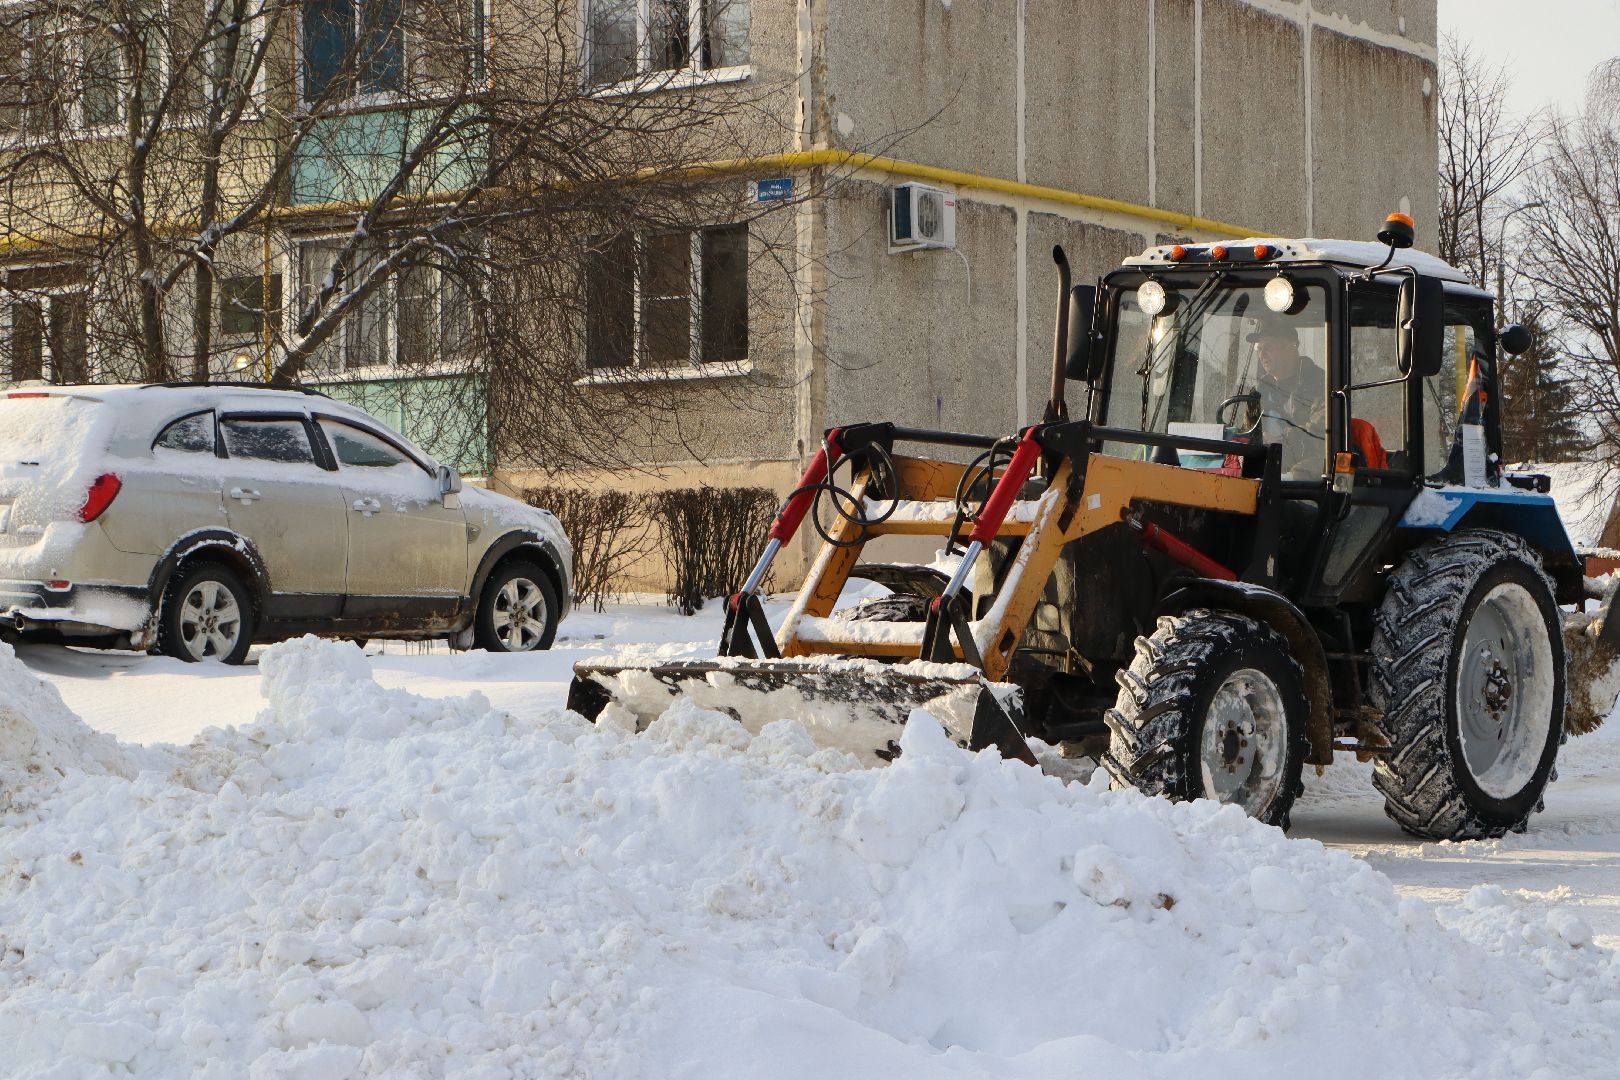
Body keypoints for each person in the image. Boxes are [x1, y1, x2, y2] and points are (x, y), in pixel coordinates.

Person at [1247, 315, 1326, 474]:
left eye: (1268, 347)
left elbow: (1321, 433)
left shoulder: (1321, 383)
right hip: (1265, 463)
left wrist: (1282, 441)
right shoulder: (1258, 391)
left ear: (1291, 347)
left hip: (1306, 471)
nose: (1262, 355)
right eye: (1259, 349)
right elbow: (1247, 430)